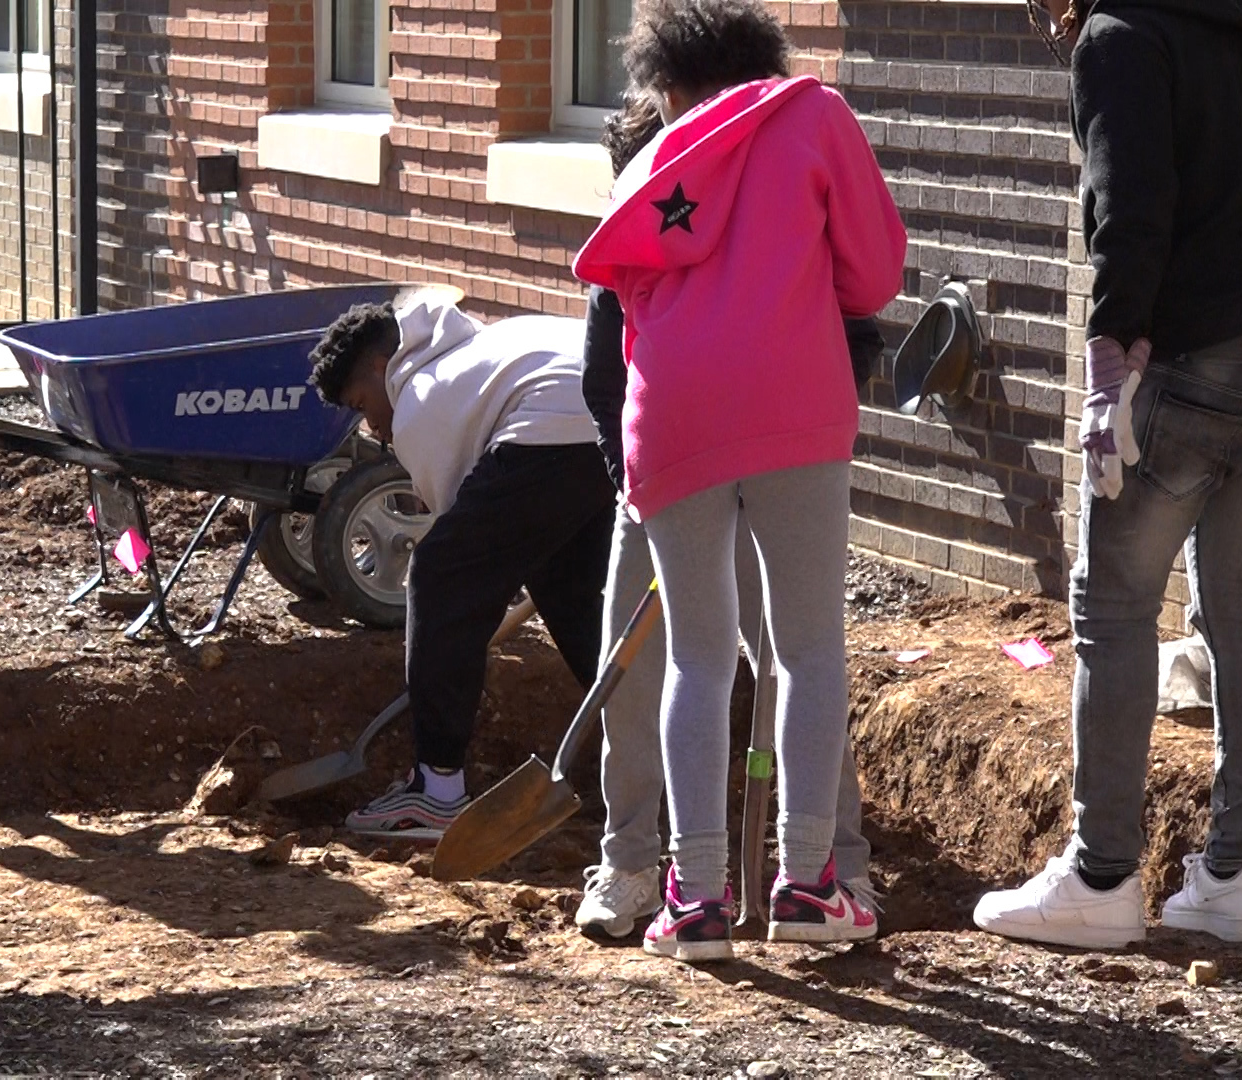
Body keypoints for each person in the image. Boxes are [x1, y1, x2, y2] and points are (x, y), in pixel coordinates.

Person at [973, 0, 1242, 949]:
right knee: (1239, 605)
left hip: (1194, 355)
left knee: (1115, 607)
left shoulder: (1122, 41)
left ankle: (1100, 876)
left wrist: (1110, 365)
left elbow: (1127, 211)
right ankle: (1236, 874)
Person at [572, 0, 907, 962]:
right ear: (762, 60)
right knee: (804, 647)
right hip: (794, 405)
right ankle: (809, 884)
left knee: (697, 659)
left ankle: (695, 900)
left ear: (670, 82)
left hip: (669, 418)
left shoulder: (652, 160)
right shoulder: (813, 115)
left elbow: (620, 299)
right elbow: (877, 276)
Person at [308, 291, 614, 839]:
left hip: (548, 431)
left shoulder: (420, 400)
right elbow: (502, 540)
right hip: (611, 423)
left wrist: (455, 624)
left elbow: (464, 569)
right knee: (572, 597)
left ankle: (437, 789)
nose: (371, 427)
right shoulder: (472, 351)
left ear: (382, 366)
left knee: (439, 574)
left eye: (361, 405)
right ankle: (655, 753)